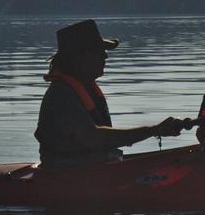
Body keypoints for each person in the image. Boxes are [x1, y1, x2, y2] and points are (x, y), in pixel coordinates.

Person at [35, 19, 185, 168]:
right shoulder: (61, 95)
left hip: (96, 171)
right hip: (66, 177)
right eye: (99, 51)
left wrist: (156, 130)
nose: (105, 56)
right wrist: (154, 130)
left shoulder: (85, 88)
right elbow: (92, 137)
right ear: (78, 57)